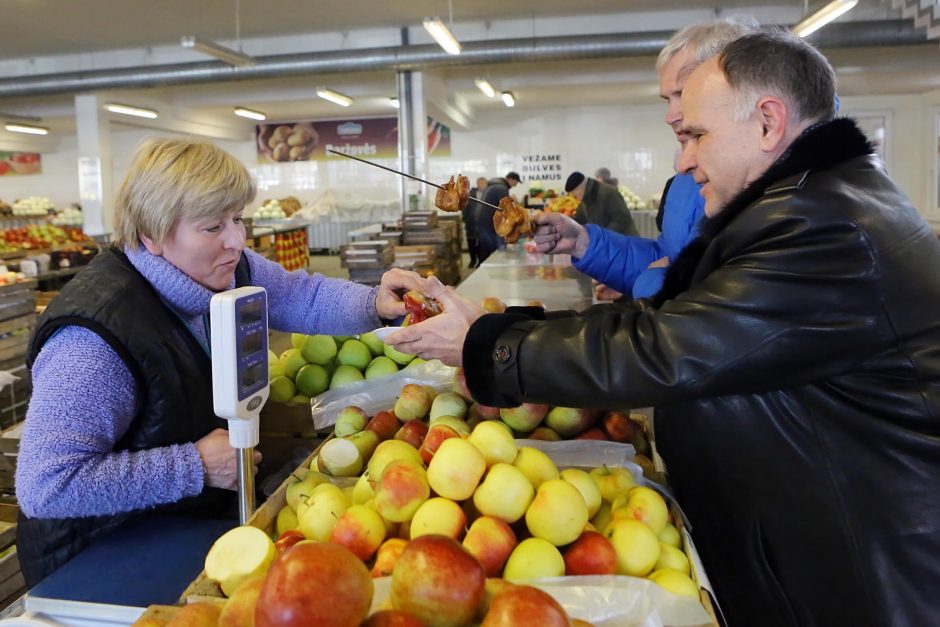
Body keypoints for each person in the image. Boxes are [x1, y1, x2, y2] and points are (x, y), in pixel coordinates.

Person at [387, 31, 940, 626]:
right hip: (814, 544)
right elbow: (672, 323)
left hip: (853, 578)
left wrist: (485, 344)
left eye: (696, 134)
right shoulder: (812, 202)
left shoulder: (824, 229)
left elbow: (666, 349)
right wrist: (497, 329)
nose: (682, 158)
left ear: (767, 122)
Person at [15, 138, 429, 586]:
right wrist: (194, 465)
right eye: (212, 227)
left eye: (238, 219)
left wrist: (376, 303)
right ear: (151, 234)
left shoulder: (231, 270)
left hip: (181, 526)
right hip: (98, 558)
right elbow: (48, 485)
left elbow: (299, 295)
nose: (236, 241)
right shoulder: (96, 340)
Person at [552, 20, 756, 300]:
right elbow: (666, 255)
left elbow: (715, 305)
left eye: (683, 94)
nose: (670, 116)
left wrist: (649, 281)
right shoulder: (684, 182)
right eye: (666, 99)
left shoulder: (762, 183)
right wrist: (582, 242)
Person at [564, 171, 638, 237]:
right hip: (608, 242)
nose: (576, 198)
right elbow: (580, 218)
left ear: (580, 189)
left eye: (576, 195)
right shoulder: (586, 197)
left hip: (625, 242)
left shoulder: (608, 192)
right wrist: (565, 224)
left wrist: (603, 235)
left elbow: (622, 219)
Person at [476, 171, 521, 264]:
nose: (515, 185)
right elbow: (506, 209)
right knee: (495, 248)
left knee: (485, 246)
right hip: (487, 221)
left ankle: (484, 267)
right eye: (516, 183)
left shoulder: (495, 185)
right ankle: (488, 269)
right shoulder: (501, 187)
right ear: (511, 179)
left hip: (482, 219)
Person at [464, 176, 488, 268]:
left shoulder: (488, 194)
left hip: (484, 223)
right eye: (480, 183)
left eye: (484, 183)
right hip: (471, 223)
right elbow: (465, 207)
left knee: (482, 243)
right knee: (471, 242)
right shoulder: (470, 193)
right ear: (477, 184)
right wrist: (466, 219)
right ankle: (473, 260)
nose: (482, 185)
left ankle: (480, 260)